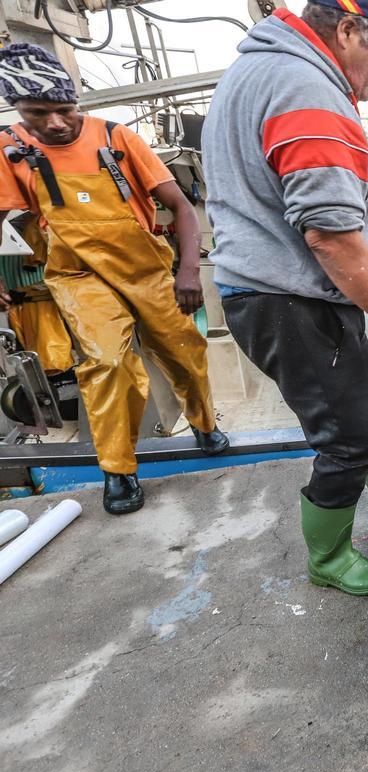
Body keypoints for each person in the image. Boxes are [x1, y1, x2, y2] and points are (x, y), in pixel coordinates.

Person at [204, 1, 368, 596]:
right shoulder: (305, 89)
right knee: (348, 437)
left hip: (292, 291)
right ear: (346, 31)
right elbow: (332, 237)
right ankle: (330, 557)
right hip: (284, 298)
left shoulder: (264, 72)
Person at [0, 43, 227, 515]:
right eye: (38, 113)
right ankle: (118, 470)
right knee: (105, 363)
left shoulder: (116, 139)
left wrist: (188, 271)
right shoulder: (11, 150)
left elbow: (182, 207)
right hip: (78, 274)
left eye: (64, 110)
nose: (56, 123)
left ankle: (204, 423)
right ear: (19, 110)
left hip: (144, 269)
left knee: (184, 351)